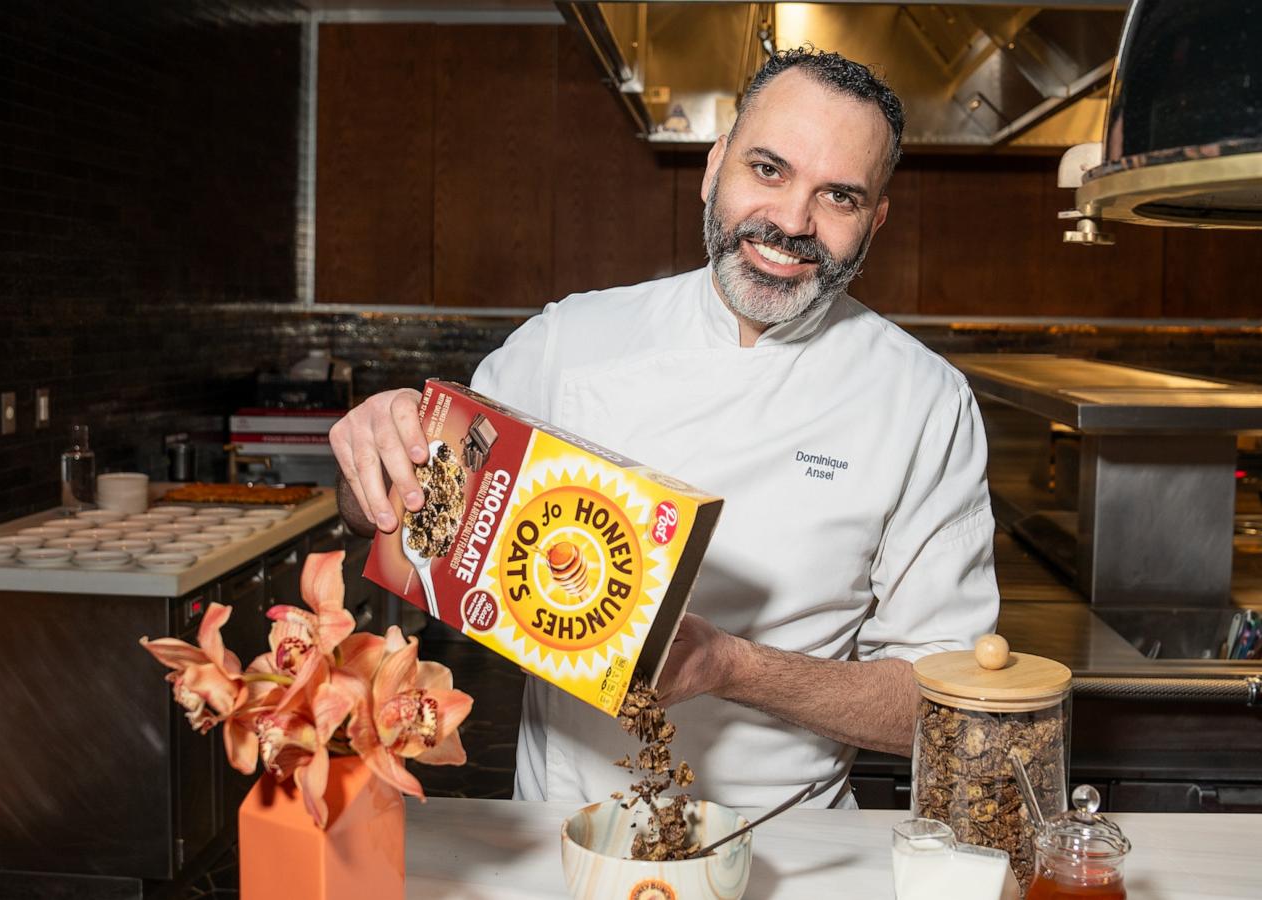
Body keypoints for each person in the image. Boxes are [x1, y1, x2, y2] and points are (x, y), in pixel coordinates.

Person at [330, 47, 999, 809]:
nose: (791, 222)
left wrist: (731, 667)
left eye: (839, 197)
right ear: (715, 168)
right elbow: (394, 523)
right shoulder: (570, 341)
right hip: (565, 835)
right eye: (768, 170)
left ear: (874, 220)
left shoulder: (923, 401)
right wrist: (376, 455)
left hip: (795, 847)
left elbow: (947, 705)